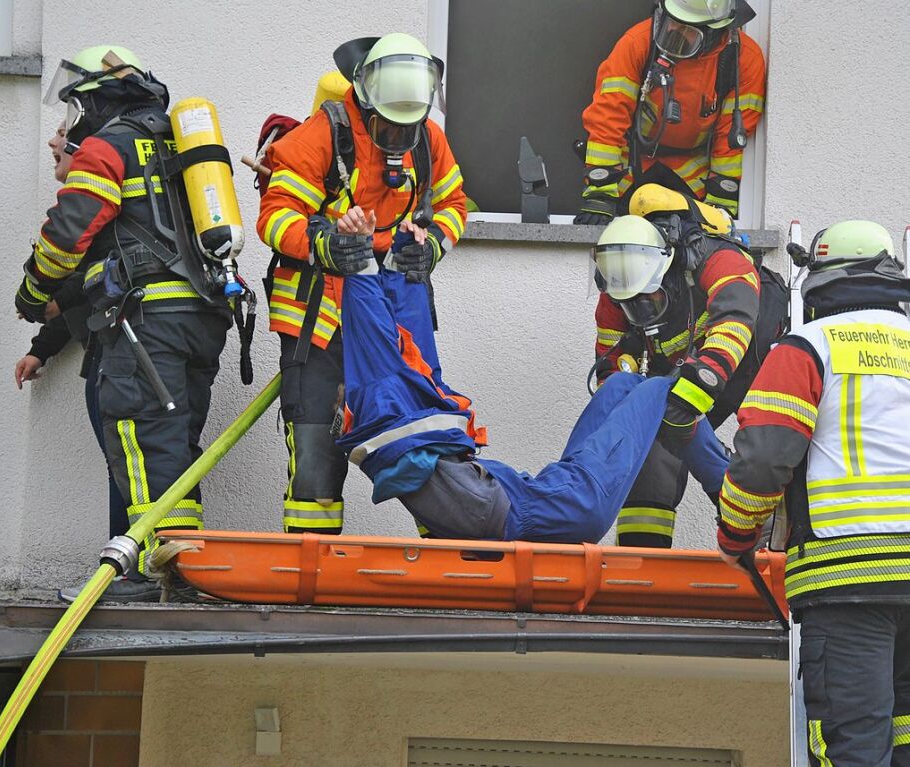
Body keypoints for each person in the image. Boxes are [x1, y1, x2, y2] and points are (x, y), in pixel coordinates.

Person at [334, 221, 727, 542]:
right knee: (664, 385)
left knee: (624, 386)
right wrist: (360, 262)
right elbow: (374, 344)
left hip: (547, 495)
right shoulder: (381, 408)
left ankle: (731, 490)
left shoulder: (406, 429)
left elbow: (418, 361)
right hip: (567, 507)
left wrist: (405, 268)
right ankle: (733, 495)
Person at [17, 46, 234, 601]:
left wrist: (32, 291)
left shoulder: (107, 145)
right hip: (200, 319)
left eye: (73, 109)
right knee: (171, 448)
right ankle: (182, 570)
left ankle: (144, 575)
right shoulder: (173, 142)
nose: (67, 127)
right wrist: (49, 339)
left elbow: (68, 234)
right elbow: (119, 254)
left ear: (94, 100)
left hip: (148, 325)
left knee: (143, 443)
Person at [716, 220, 910, 767]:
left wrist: (736, 538)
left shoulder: (808, 347)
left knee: (853, 745)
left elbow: (762, 460)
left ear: (819, 282)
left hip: (850, 580)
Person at [257, 33, 467, 536]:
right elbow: (275, 217)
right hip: (321, 318)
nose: (399, 138)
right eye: (388, 129)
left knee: (421, 428)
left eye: (408, 128)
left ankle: (449, 550)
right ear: (364, 102)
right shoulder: (320, 137)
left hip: (391, 314)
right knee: (315, 444)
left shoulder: (427, 137)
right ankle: (312, 564)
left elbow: (456, 205)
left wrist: (432, 244)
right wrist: (327, 245)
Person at [591, 184, 787, 548]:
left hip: (748, 356)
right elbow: (610, 351)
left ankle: (750, 525)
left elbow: (734, 321)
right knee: (653, 439)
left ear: (663, 267)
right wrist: (623, 402)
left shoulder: (718, 258)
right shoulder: (620, 277)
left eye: (646, 298)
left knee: (697, 423)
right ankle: (642, 560)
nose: (639, 307)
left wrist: (698, 385)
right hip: (689, 359)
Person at [14, 120, 128, 544]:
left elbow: (95, 278)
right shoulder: (112, 203)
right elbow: (87, 283)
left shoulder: (102, 206)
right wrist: (41, 350)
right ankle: (139, 567)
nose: (52, 140)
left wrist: (48, 301)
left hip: (121, 350)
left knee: (127, 461)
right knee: (134, 460)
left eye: (62, 131)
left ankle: (126, 569)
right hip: (117, 344)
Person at [576, 0, 766, 224]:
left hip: (693, 175)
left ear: (715, 33)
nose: (674, 30)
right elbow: (608, 116)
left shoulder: (743, 60)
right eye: (671, 21)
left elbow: (731, 139)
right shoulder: (637, 43)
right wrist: (601, 190)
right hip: (632, 164)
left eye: (687, 29)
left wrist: (720, 204)